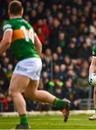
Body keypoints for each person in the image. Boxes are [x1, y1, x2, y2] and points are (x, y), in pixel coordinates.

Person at [0, 1, 70, 129]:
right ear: (21, 12)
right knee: (31, 93)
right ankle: (61, 104)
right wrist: (35, 58)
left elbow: (7, 41)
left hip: (26, 60)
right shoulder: (28, 26)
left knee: (14, 91)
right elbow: (39, 45)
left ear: (9, 12)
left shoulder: (9, 24)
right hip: (36, 59)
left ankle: (24, 124)